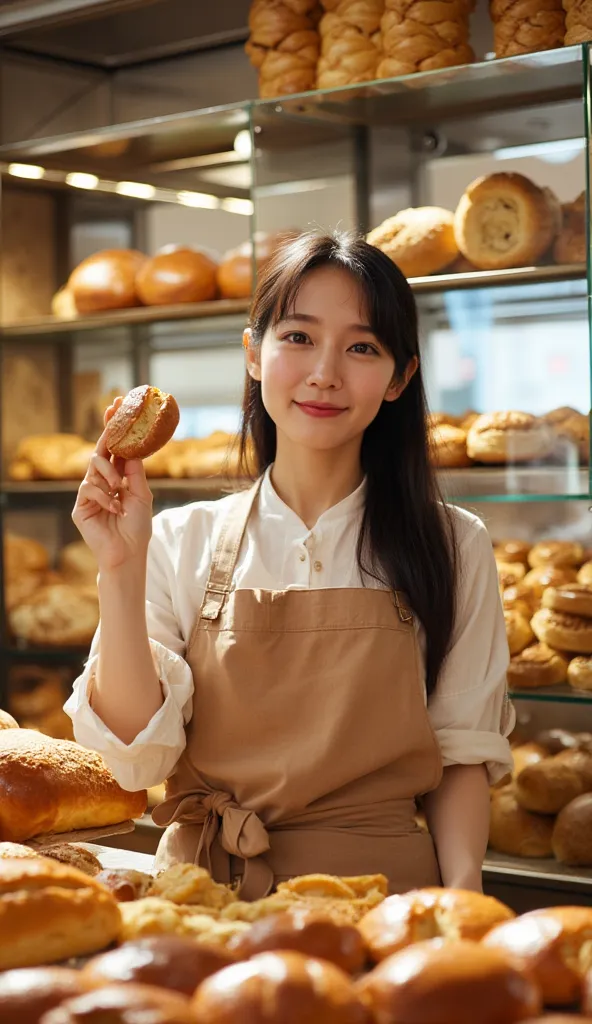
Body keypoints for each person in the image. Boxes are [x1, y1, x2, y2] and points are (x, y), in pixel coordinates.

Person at [66, 231, 513, 899]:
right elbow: (132, 759)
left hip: (383, 898)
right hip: (202, 898)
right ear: (254, 353)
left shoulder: (452, 543)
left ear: (400, 379)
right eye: (299, 337)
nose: (325, 373)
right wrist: (120, 572)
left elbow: (460, 754)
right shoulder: (177, 539)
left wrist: (462, 899)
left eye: (362, 347)